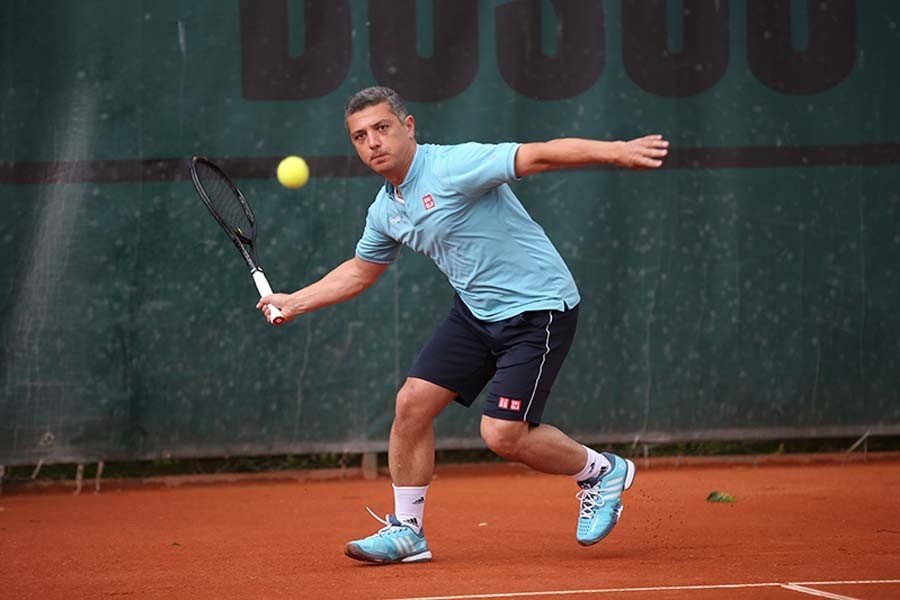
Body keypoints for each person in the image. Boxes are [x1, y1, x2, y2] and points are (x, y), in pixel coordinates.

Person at [257, 86, 668, 564]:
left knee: (502, 436)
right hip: (476, 313)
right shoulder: (386, 209)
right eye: (360, 136)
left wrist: (616, 152)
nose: (373, 143)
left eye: (382, 128)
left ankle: (600, 472)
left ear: (408, 127)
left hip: (538, 309)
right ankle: (407, 532)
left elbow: (537, 155)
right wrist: (295, 302)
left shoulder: (453, 167)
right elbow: (360, 271)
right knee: (411, 405)